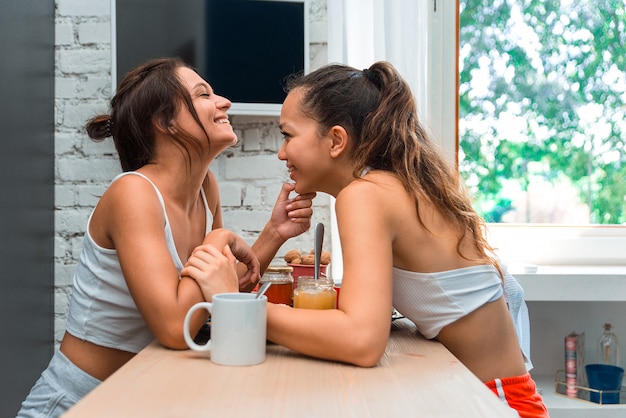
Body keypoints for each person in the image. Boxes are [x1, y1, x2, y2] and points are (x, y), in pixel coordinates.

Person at [192, 61, 549, 418]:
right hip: (490, 395)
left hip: (497, 404)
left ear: (335, 140)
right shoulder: (387, 186)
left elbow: (362, 340)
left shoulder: (365, 195)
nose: (282, 153)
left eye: (287, 135)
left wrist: (239, 309)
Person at [16, 57, 315, 418]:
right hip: (78, 402)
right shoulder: (133, 194)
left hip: (142, 397)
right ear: (166, 122)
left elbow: (216, 292)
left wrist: (274, 232)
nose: (224, 102)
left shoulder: (207, 188)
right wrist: (216, 239)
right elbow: (176, 327)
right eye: (204, 94)